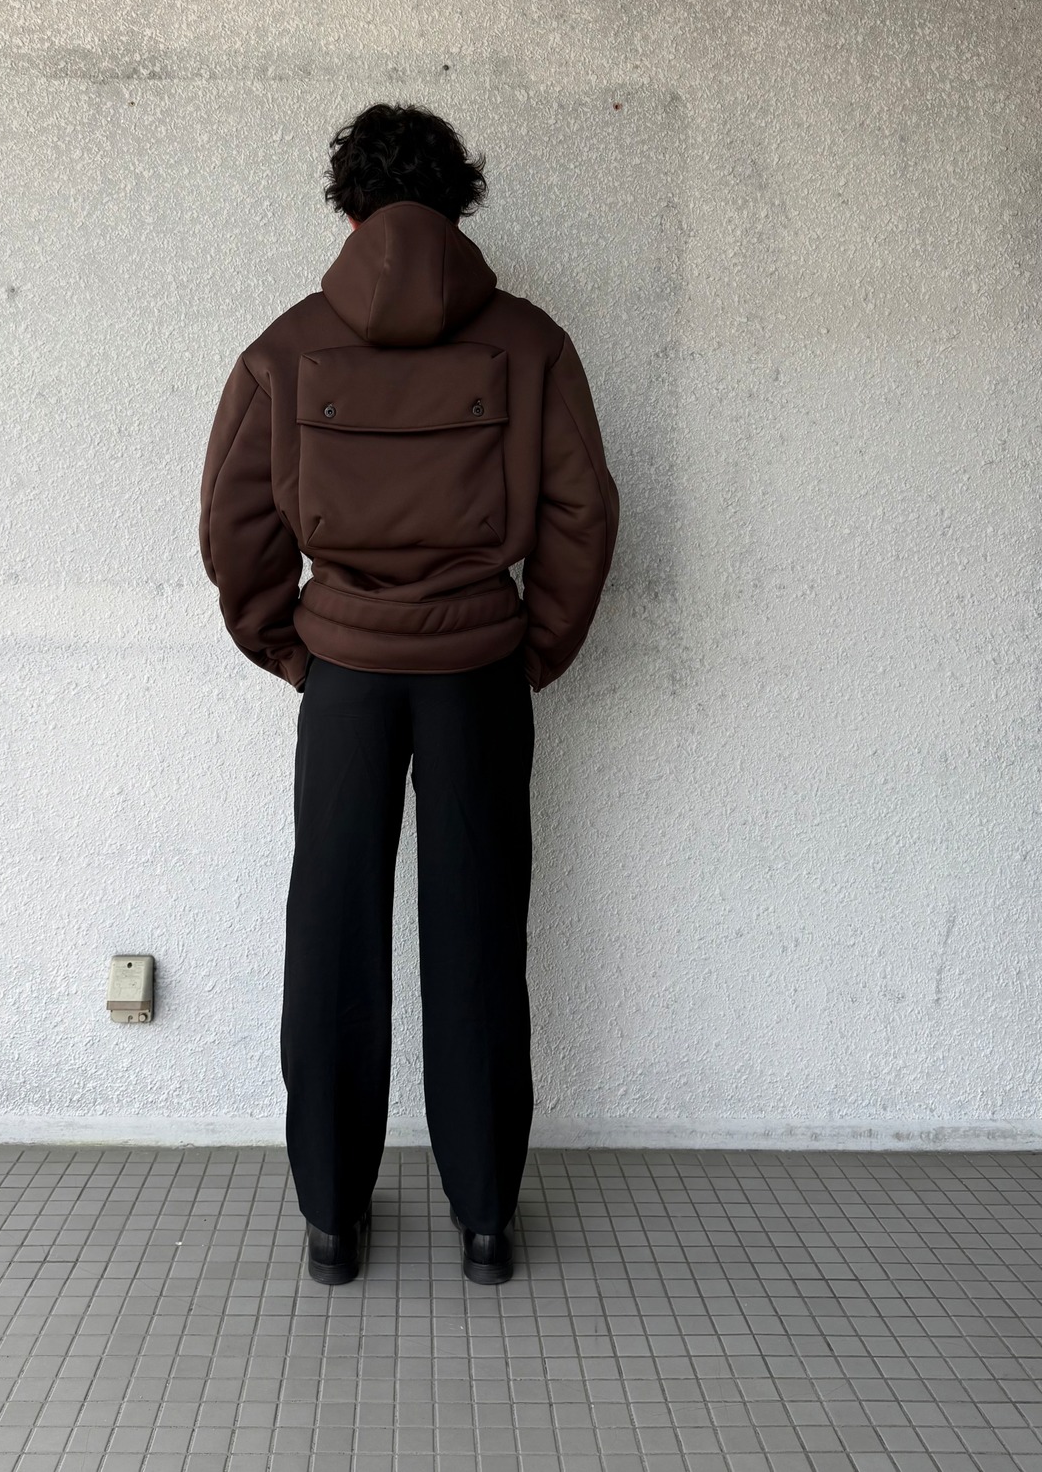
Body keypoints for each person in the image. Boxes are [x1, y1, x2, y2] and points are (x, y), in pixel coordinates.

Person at [199, 102, 619, 1287]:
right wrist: (531, 648)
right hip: (477, 668)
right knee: (478, 931)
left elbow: (233, 524)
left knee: (331, 930)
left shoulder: (285, 348)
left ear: (347, 211)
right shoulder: (530, 343)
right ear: (458, 206)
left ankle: (332, 1220)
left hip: (345, 674)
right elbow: (584, 511)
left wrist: (292, 649)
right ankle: (483, 1219)